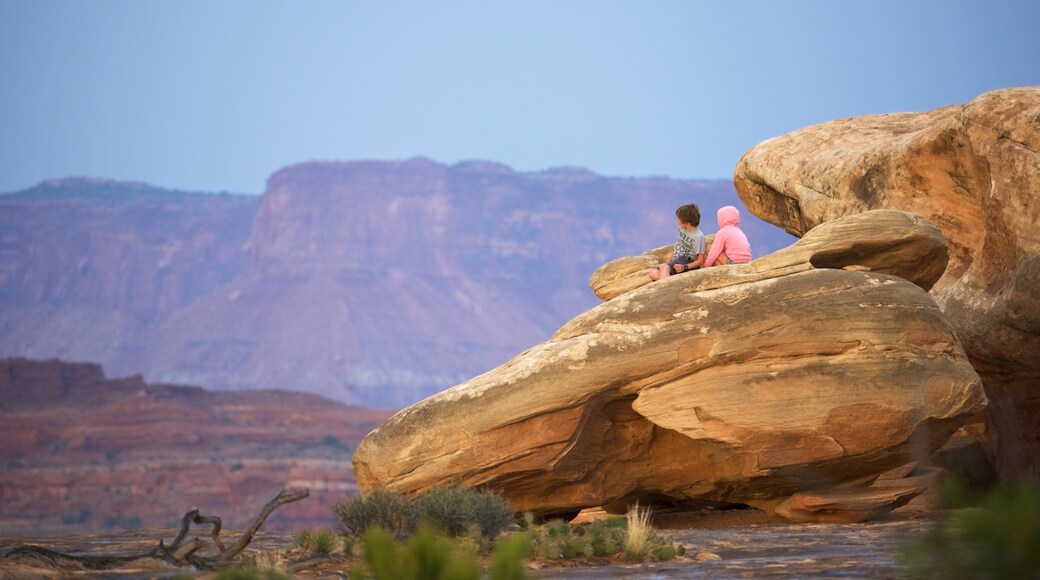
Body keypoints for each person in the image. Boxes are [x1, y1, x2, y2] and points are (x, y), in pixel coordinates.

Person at [649, 203, 706, 281]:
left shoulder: (698, 236)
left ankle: (666, 286)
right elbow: (678, 248)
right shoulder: (681, 229)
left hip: (686, 262)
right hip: (677, 261)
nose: (678, 221)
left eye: (679, 218)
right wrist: (667, 262)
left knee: (664, 268)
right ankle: (670, 280)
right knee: (653, 272)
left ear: (686, 220)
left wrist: (685, 267)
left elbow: (701, 260)